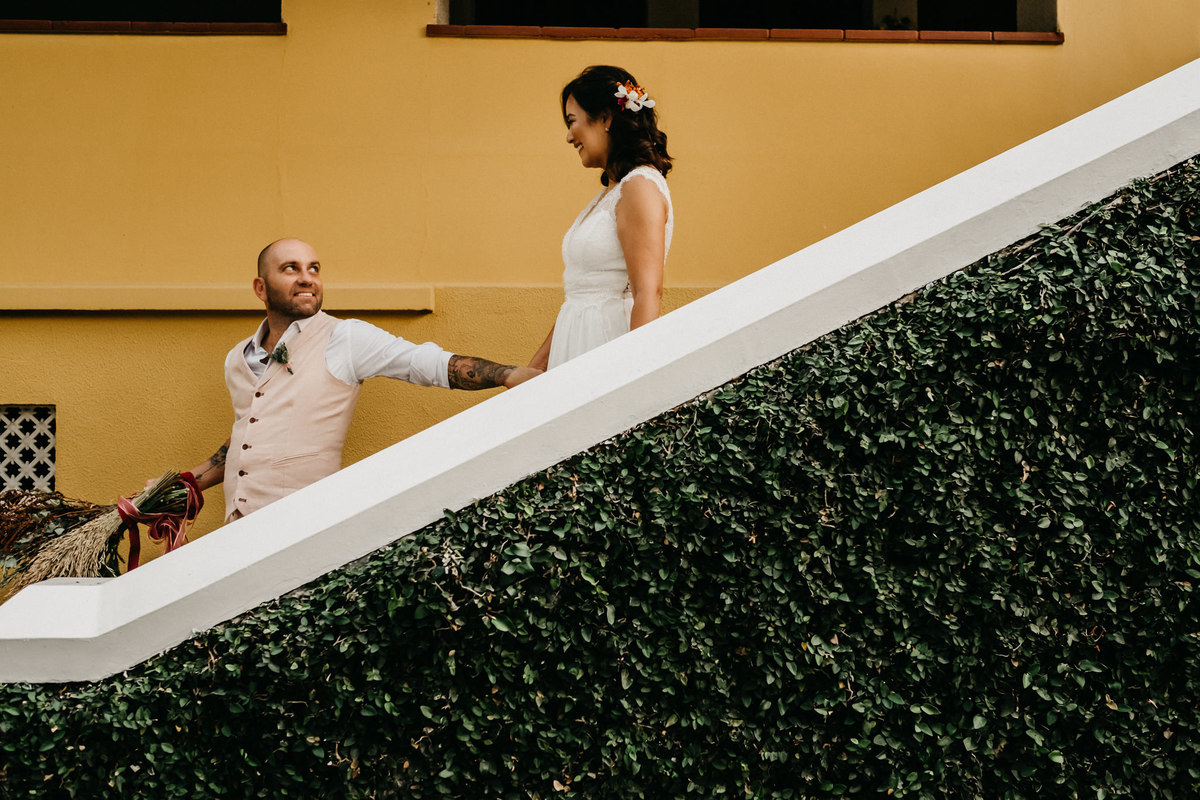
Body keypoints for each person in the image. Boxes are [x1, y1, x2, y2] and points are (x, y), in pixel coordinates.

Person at [185, 238, 541, 523]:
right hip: (237, 528)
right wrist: (185, 485)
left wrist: (506, 374)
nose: (307, 278)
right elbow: (248, 435)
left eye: (314, 268)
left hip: (303, 525)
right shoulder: (238, 358)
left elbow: (424, 362)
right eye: (290, 268)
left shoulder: (345, 338)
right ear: (260, 288)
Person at [528, 65, 674, 371]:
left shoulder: (639, 187)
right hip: (576, 346)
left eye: (572, 121)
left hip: (606, 349)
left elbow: (648, 293)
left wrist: (634, 377)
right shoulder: (611, 194)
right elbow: (581, 294)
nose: (569, 136)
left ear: (606, 118)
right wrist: (538, 366)